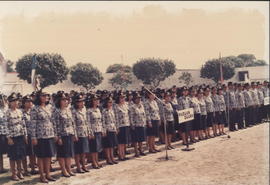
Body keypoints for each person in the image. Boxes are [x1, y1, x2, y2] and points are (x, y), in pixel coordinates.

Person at [31, 91, 57, 183]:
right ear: (39, 97)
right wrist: (33, 137)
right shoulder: (35, 109)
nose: (46, 97)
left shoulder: (49, 107)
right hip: (40, 136)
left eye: (47, 95)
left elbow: (53, 122)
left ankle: (48, 174)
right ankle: (42, 175)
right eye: (43, 95)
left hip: (49, 134)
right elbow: (33, 124)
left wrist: (55, 134)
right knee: (41, 156)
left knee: (48, 156)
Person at [53, 92, 77, 177]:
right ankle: (63, 170)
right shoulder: (56, 111)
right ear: (59, 101)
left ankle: (69, 169)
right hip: (62, 135)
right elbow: (55, 125)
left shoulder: (68, 110)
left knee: (68, 153)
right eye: (63, 100)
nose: (66, 101)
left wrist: (74, 134)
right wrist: (58, 137)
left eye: (66, 100)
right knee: (62, 154)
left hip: (69, 133)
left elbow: (72, 123)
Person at [6, 93, 27, 181]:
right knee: (13, 156)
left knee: (20, 155)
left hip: (20, 136)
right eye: (13, 101)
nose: (15, 103)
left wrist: (25, 135)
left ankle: (20, 172)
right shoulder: (7, 113)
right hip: (12, 137)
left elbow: (23, 124)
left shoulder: (20, 111)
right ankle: (13, 173)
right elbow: (5, 126)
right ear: (9, 103)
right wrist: (9, 138)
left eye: (16, 101)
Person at [72, 94, 91, 173]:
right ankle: (78, 167)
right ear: (76, 103)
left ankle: (83, 166)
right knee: (78, 152)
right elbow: (73, 124)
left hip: (84, 132)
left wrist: (89, 132)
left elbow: (87, 122)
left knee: (83, 151)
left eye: (83, 101)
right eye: (80, 102)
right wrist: (75, 135)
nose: (82, 103)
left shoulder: (84, 110)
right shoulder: (73, 112)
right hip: (78, 134)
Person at [86, 94, 104, 169]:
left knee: (98, 147)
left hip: (99, 130)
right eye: (95, 100)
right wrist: (90, 132)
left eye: (97, 100)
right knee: (93, 148)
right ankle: (94, 162)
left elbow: (101, 121)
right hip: (93, 131)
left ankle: (97, 161)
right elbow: (88, 122)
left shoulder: (98, 109)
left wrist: (102, 130)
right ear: (92, 101)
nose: (97, 101)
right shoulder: (89, 111)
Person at [21, 95, 37, 176]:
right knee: (24, 153)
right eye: (28, 101)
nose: (30, 103)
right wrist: (25, 136)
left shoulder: (33, 111)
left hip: (33, 135)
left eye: (31, 101)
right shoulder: (21, 112)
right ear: (24, 103)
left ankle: (33, 169)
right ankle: (25, 170)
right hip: (25, 136)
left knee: (32, 152)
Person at [102, 97, 118, 165]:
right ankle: (108, 158)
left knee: (112, 145)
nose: (111, 103)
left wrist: (116, 128)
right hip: (107, 129)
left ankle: (112, 157)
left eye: (111, 102)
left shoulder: (112, 110)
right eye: (109, 102)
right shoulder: (104, 111)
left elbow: (114, 120)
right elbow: (103, 121)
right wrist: (104, 130)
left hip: (113, 128)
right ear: (106, 103)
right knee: (108, 145)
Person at [114, 92, 131, 161]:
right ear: (118, 98)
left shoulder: (126, 105)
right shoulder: (116, 106)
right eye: (121, 97)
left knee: (124, 142)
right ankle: (120, 155)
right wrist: (117, 127)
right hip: (120, 125)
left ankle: (124, 154)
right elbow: (116, 117)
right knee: (120, 142)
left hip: (126, 124)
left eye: (123, 97)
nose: (123, 99)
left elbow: (128, 115)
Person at [129, 92, 147, 157]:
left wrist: (144, 122)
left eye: (139, 98)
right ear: (134, 99)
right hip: (135, 125)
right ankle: (136, 151)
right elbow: (131, 117)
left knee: (141, 138)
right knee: (135, 139)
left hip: (141, 124)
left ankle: (141, 150)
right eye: (137, 98)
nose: (138, 99)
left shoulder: (141, 105)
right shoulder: (132, 107)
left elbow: (144, 114)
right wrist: (132, 124)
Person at [0, 94, 8, 174]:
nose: (2, 101)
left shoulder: (4, 109)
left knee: (1, 152)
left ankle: (1, 168)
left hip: (4, 133)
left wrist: (2, 96)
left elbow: (5, 105)